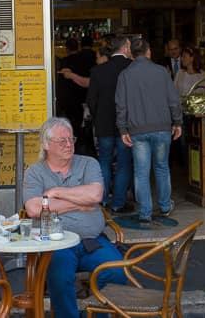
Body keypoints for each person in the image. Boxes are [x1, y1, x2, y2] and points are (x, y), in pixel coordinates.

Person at [23, 117, 127, 318]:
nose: (69, 144)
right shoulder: (35, 172)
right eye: (62, 141)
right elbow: (35, 209)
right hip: (57, 242)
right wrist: (80, 202)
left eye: (71, 139)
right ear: (46, 145)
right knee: (60, 278)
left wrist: (56, 192)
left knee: (116, 272)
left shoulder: (88, 163)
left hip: (92, 240)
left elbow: (95, 195)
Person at [115, 38, 182, 224]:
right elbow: (173, 100)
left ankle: (145, 212)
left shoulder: (125, 75)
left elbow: (121, 105)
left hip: (137, 130)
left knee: (141, 172)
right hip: (162, 128)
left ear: (131, 54)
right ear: (149, 52)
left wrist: (122, 128)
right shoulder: (161, 72)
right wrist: (177, 122)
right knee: (161, 167)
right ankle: (165, 206)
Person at [86, 35, 133, 213]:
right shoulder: (131, 68)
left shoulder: (98, 71)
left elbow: (91, 100)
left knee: (104, 161)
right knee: (124, 163)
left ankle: (103, 199)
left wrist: (98, 116)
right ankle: (119, 202)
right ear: (124, 48)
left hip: (104, 123)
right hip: (127, 125)